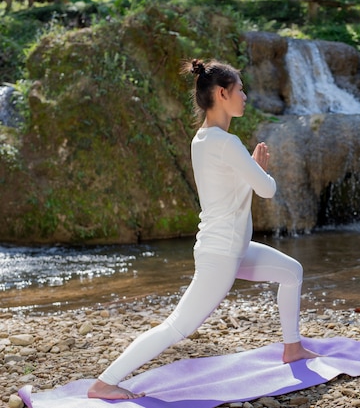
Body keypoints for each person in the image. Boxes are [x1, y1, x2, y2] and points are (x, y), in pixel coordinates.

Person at [88, 59, 318, 400]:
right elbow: (266, 190)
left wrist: (250, 171)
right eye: (240, 89)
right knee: (178, 326)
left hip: (231, 247)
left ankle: (292, 348)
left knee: (291, 272)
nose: (244, 95)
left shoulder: (204, 139)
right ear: (222, 93)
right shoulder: (226, 143)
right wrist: (258, 170)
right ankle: (104, 383)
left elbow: (232, 193)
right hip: (222, 253)